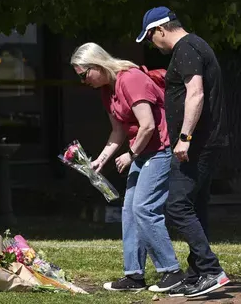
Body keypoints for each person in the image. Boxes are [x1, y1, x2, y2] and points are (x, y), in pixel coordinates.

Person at [71, 43, 184, 292]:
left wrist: (130, 155)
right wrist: (101, 159)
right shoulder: (106, 90)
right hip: (142, 153)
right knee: (130, 211)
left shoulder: (129, 79)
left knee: (144, 209)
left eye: (83, 74)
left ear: (98, 65)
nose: (83, 81)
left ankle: (172, 272)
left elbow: (148, 125)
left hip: (159, 151)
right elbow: (118, 130)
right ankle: (134, 276)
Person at [136, 6, 230, 297]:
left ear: (159, 30)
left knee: (177, 205)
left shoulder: (186, 48)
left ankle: (211, 270)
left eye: (150, 38)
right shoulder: (195, 45)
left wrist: (185, 138)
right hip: (206, 142)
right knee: (196, 205)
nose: (153, 44)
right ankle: (199, 272)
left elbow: (196, 92)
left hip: (197, 144)